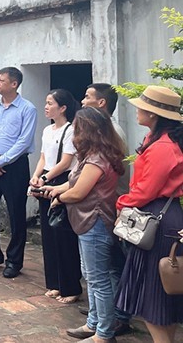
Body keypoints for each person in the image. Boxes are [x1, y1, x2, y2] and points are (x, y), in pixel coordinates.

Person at [44, 107, 126, 343]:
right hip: (90, 222)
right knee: (98, 275)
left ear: (86, 130)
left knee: (97, 278)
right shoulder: (95, 155)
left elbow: (79, 192)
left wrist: (58, 198)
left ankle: (104, 332)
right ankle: (95, 322)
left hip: (95, 222)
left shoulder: (97, 159)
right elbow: (75, 185)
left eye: (77, 128)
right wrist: (56, 189)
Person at [115, 86, 183, 343]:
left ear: (153, 114)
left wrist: (121, 203)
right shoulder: (158, 141)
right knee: (164, 296)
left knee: (153, 298)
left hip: (156, 219)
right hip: (164, 216)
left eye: (141, 106)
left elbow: (145, 190)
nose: (137, 110)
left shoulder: (162, 147)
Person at [81, 82, 133, 336]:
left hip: (108, 207)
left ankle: (112, 321)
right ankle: (105, 317)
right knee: (105, 269)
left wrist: (61, 194)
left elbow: (87, 186)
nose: (83, 101)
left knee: (104, 271)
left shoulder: (111, 134)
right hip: (108, 206)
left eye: (88, 97)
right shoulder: (105, 135)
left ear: (101, 103)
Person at [0, 67, 37, 278]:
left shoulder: (27, 109)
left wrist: (1, 161)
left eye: (1, 80)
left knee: (16, 213)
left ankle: (14, 260)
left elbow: (24, 141)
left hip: (15, 166)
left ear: (14, 84)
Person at [28, 89, 82, 304]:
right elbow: (43, 157)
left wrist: (46, 178)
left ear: (63, 108)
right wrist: (36, 176)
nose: (46, 106)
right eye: (46, 102)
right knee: (48, 235)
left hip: (61, 181)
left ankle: (71, 286)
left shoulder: (70, 130)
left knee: (64, 235)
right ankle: (54, 283)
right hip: (46, 180)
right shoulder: (47, 130)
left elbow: (66, 161)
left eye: (50, 103)